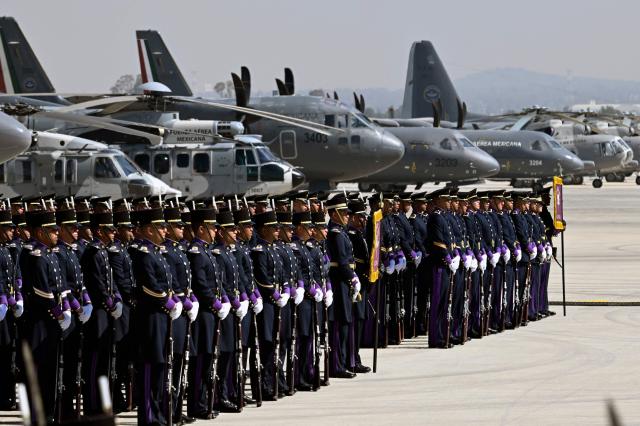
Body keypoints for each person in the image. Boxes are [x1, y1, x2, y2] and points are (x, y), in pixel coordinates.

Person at [19, 208, 69, 421]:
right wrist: (59, 313)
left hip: (49, 321)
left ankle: (48, 413)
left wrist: (67, 305)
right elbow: (42, 291)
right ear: (40, 233)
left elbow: (59, 285)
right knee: (38, 372)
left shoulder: (49, 254)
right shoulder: (35, 255)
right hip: (38, 321)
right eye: (52, 231)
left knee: (49, 371)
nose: (57, 234)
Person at [186, 206, 230, 419]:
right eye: (212, 228)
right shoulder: (196, 252)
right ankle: (197, 404)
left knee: (209, 359)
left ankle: (205, 401)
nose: (215, 232)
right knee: (201, 360)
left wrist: (222, 300)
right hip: (204, 313)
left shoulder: (206, 252)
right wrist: (215, 303)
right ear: (201, 228)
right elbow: (201, 285)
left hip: (211, 313)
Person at [81, 208, 123, 416]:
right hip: (97, 312)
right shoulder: (93, 252)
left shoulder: (102, 251)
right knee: (95, 360)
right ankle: (91, 404)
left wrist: (117, 299)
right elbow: (96, 284)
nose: (113, 233)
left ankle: (101, 402)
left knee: (105, 359)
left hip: (105, 312)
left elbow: (110, 280)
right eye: (109, 230)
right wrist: (109, 302)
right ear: (99, 231)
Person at [251, 210, 290, 400]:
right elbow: (262, 278)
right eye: (274, 228)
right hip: (267, 303)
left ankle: (278, 380)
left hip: (277, 302)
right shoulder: (259, 250)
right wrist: (275, 294)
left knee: (279, 343)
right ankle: (267, 385)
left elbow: (281, 275)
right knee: (268, 344)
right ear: (264, 230)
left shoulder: (273, 250)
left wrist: (286, 289)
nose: (277, 231)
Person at [325, 194, 360, 377]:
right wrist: (352, 278)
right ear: (334, 214)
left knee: (346, 322)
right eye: (344, 213)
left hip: (345, 281)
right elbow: (340, 260)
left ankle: (346, 361)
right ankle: (337, 364)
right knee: (340, 324)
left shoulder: (341, 232)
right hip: (339, 282)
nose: (347, 216)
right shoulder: (336, 234)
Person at [345, 199, 371, 373]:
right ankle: (351, 359)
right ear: (352, 217)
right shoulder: (350, 236)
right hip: (355, 284)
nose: (363, 220)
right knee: (354, 322)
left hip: (363, 282)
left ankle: (356, 356)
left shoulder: (360, 234)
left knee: (360, 320)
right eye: (360, 217)